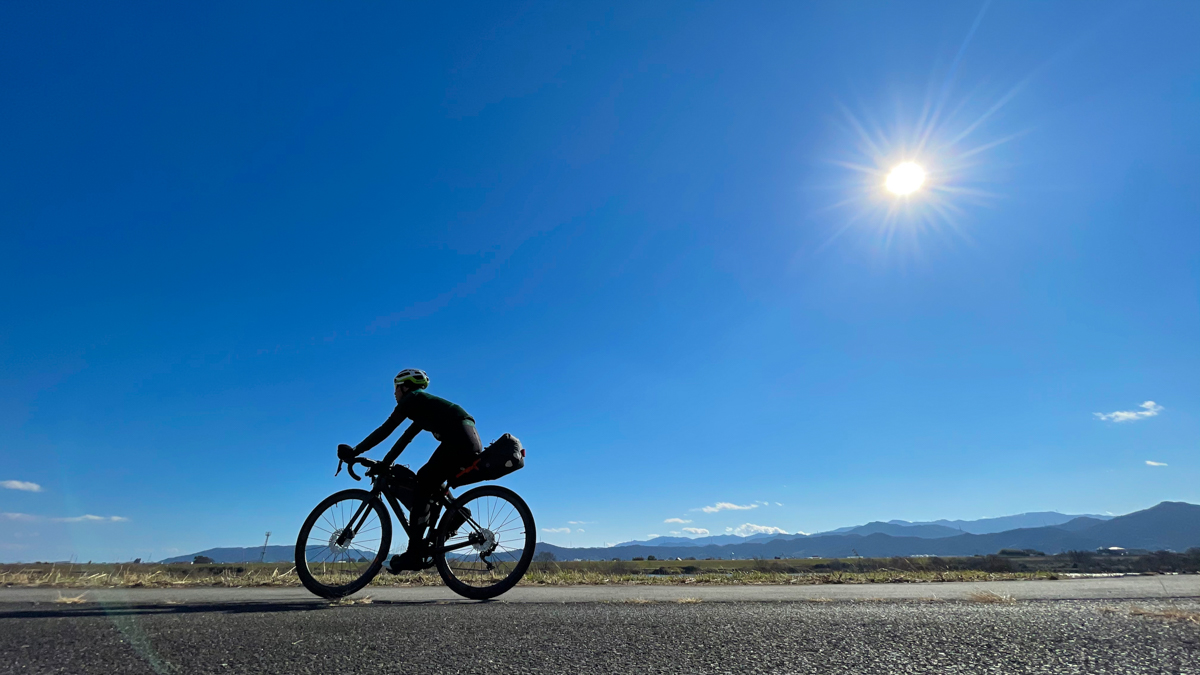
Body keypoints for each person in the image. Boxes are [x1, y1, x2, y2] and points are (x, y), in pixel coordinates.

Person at [338, 368, 481, 572]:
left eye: (395, 389)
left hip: (459, 438)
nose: (394, 394)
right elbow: (404, 439)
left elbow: (386, 429)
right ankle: (455, 512)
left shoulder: (412, 399)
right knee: (431, 480)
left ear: (405, 387)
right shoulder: (423, 406)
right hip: (468, 437)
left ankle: (413, 555)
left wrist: (355, 450)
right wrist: (385, 463)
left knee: (424, 479)